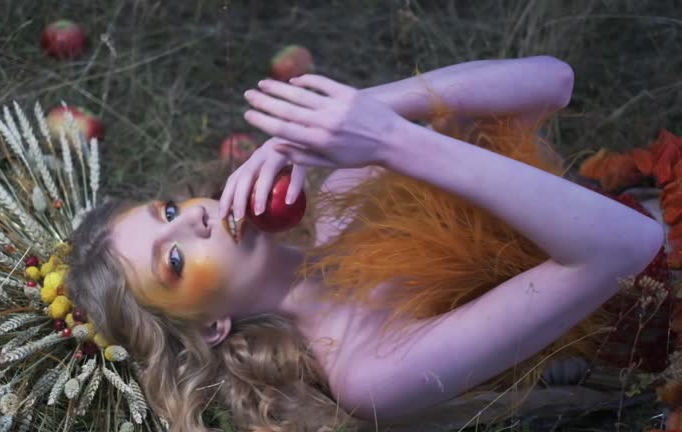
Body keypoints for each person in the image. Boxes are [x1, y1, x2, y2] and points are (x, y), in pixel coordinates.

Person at [65, 56, 666, 432]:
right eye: (173, 260)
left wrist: (369, 109)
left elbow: (551, 81)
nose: (192, 221)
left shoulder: (343, 194)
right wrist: (394, 142)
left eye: (169, 210)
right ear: (212, 328)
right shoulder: (369, 371)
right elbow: (629, 246)